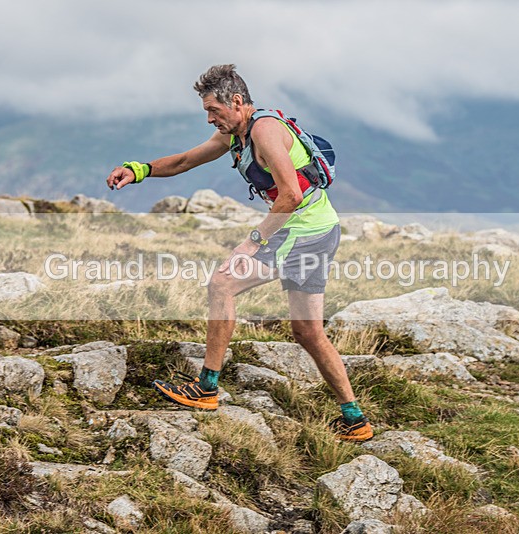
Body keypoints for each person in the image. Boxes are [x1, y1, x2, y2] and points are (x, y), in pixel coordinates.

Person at [105, 64, 372, 442]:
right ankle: (355, 420)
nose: (210, 119)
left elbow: (291, 196)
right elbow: (184, 161)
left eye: (213, 110)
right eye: (206, 112)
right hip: (319, 230)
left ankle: (206, 388)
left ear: (236, 101)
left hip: (301, 232)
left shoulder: (264, 130)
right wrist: (139, 169)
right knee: (308, 332)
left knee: (222, 284)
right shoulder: (235, 134)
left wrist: (251, 243)